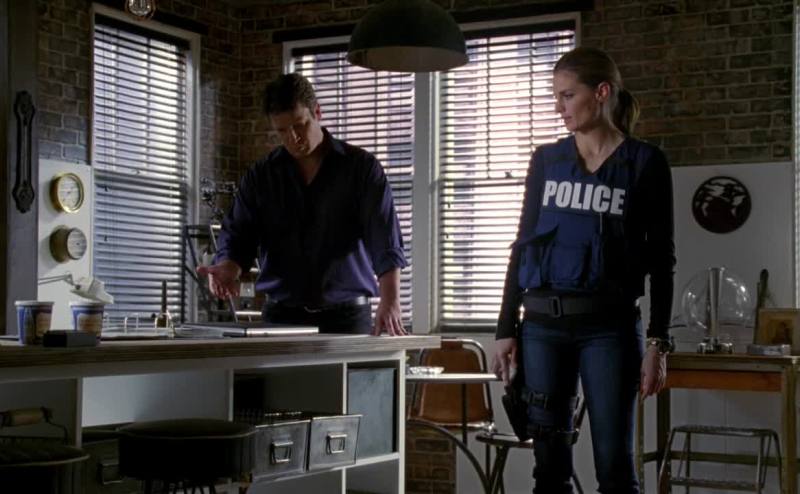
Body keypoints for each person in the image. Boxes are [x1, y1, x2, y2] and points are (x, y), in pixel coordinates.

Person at [491, 47, 676, 493]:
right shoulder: (546, 161)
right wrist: (505, 328)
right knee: (549, 469)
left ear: (602, 92)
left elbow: (662, 261)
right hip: (542, 328)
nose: (560, 107)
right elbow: (522, 244)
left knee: (614, 468)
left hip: (609, 330)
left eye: (568, 95)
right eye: (556, 96)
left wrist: (658, 343)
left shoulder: (645, 163)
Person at [198, 73, 407, 336]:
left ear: (317, 112)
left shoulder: (361, 168)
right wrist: (228, 267)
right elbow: (239, 234)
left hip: (347, 318)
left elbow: (385, 238)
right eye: (282, 131)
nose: (293, 138)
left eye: (300, 125)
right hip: (280, 317)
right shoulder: (262, 176)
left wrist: (391, 299)